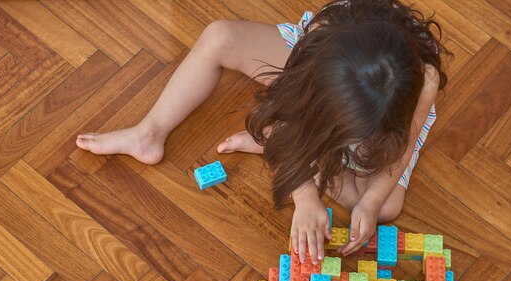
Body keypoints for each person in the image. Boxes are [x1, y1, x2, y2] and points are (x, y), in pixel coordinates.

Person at [76, 0, 451, 264]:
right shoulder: (319, 43)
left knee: (385, 206)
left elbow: (401, 147)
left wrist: (368, 204)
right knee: (220, 35)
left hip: (363, 116)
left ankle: (278, 144)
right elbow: (290, 113)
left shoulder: (425, 78)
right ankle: (149, 133)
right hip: (313, 70)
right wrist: (305, 198)